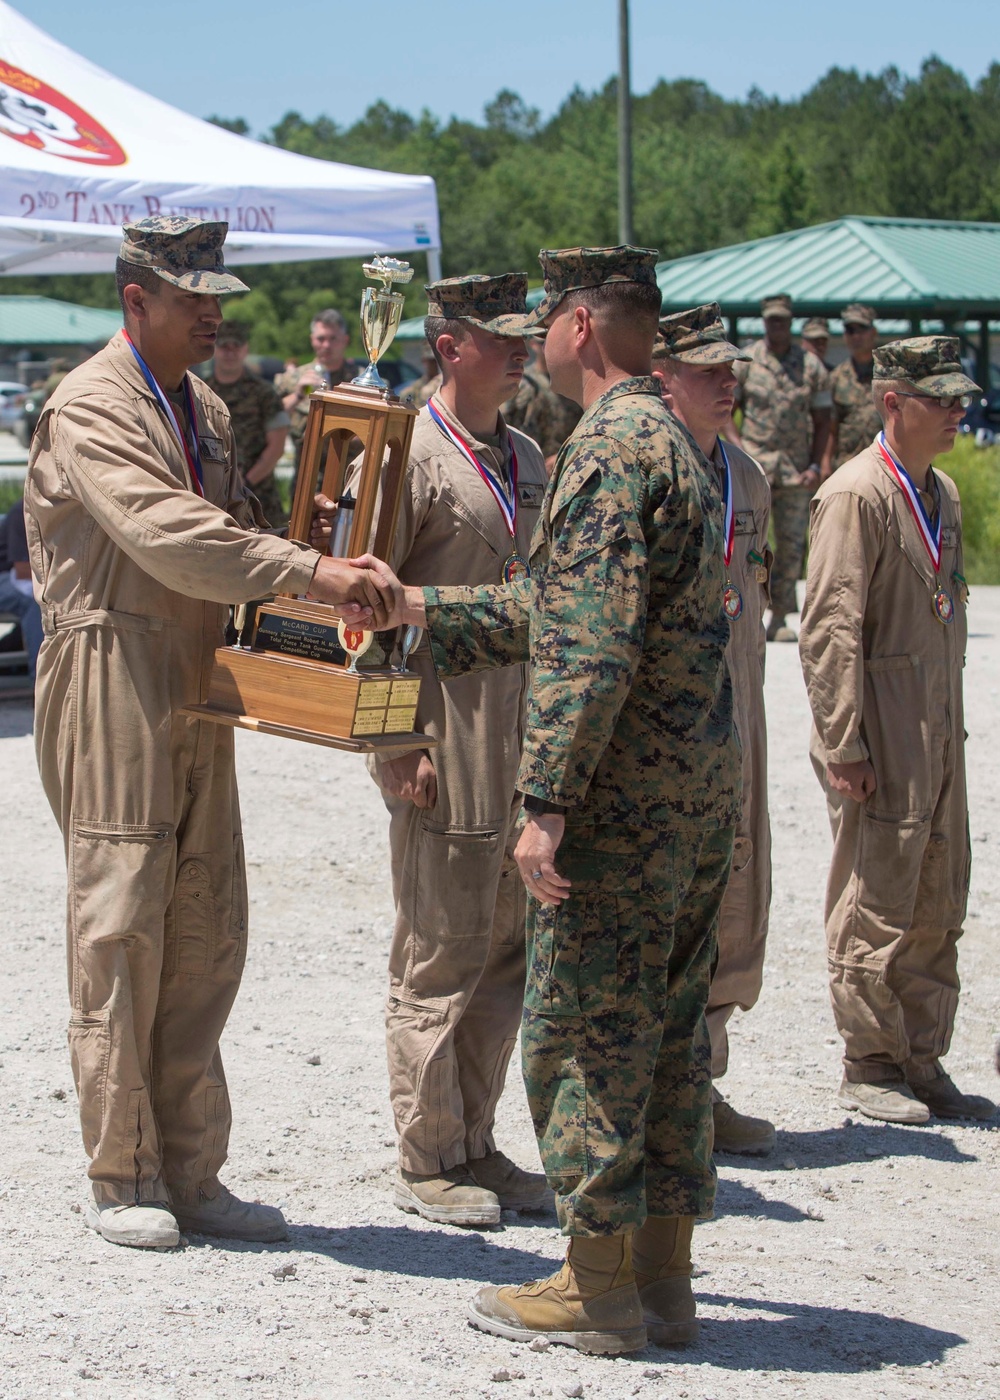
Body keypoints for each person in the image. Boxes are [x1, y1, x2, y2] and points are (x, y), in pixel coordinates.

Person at [368, 245, 741, 1355]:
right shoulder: (668, 437)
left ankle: (595, 1289)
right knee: (669, 1036)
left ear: (579, 325)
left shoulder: (604, 450)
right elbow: (548, 601)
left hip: (618, 810)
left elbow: (587, 647)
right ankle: (662, 1278)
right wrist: (416, 608)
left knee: (583, 1037)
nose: (538, 343)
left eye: (548, 323)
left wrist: (545, 802)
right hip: (687, 800)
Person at [24, 216, 388, 1251]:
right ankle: (123, 1170)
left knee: (202, 920)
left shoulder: (209, 407)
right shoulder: (94, 402)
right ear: (136, 299)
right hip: (113, 666)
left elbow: (247, 522)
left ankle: (191, 1166)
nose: (216, 315)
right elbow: (168, 532)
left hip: (196, 670)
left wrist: (338, 529)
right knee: (122, 919)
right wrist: (312, 572)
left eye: (218, 297)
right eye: (195, 300)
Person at [353, 273, 550, 1227]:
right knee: (441, 943)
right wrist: (392, 739)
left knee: (506, 943)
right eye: (499, 335)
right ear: (448, 346)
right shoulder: (408, 456)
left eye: (526, 336)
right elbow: (361, 610)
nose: (520, 349)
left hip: (519, 728)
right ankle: (429, 1153)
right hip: (445, 728)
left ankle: (477, 1137)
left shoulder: (524, 454)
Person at [799, 336, 995, 1126]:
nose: (956, 411)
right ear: (892, 401)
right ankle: (872, 1059)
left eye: (959, 399)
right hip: (882, 732)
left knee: (938, 891)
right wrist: (843, 742)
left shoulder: (940, 490)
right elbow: (830, 627)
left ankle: (922, 1054)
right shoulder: (857, 494)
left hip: (937, 729)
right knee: (876, 895)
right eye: (939, 398)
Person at [652, 304, 774, 1156]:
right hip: (664, 731)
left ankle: (702, 1082)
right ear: (661, 377)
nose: (727, 381)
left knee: (732, 907)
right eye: (707, 368)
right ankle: (654, 1103)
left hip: (738, 719)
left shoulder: (750, 478)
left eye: (732, 367)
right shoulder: (642, 470)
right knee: (662, 917)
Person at [730, 294, 831, 643]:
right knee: (750, 542)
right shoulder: (747, 361)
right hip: (754, 467)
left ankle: (781, 614)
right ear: (764, 321)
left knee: (790, 545)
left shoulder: (810, 366)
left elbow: (823, 420)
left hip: (794, 469)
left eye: (783, 320)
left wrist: (818, 464)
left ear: (791, 322)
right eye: (772, 320)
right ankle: (749, 610)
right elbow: (727, 412)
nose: (777, 326)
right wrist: (739, 453)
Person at [204, 319, 290, 525]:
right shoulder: (201, 391)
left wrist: (243, 485)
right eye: (225, 346)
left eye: (236, 347)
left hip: (259, 502)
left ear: (245, 350)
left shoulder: (264, 393)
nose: (230, 352)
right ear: (215, 349)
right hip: (212, 502)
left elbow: (276, 447)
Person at [274, 309, 362, 478]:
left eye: (333, 339)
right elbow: (271, 417)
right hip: (307, 479)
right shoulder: (291, 379)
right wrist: (298, 395)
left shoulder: (361, 382)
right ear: (312, 340)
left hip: (351, 478)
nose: (327, 345)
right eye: (321, 339)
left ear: (345, 340)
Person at [820, 303, 882, 477]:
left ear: (873, 332)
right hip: (847, 467)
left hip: (885, 466)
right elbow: (831, 427)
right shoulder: (836, 377)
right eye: (850, 330)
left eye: (861, 329)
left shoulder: (889, 376)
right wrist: (825, 462)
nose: (855, 336)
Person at [503, 340, 582, 474]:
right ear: (533, 343)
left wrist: (565, 455)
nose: (548, 347)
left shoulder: (575, 385)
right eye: (543, 341)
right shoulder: (521, 383)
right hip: (525, 469)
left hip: (562, 471)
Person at [0, 497, 43, 683]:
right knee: (36, 600)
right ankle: (40, 683)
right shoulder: (24, 510)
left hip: (25, 576)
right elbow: (23, 570)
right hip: (7, 576)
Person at [398, 338, 441, 410]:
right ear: (423, 361)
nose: (433, 365)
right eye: (429, 361)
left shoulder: (442, 383)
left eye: (434, 361)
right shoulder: (418, 385)